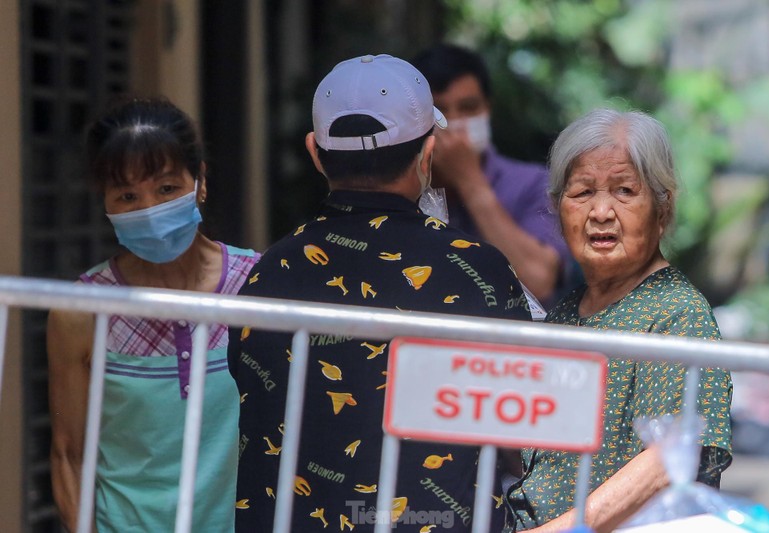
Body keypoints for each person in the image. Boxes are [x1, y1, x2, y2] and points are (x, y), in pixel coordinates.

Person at [228, 54, 534, 532]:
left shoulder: (270, 273)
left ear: (314, 152)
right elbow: (523, 428)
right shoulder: (478, 269)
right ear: (428, 154)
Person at [504, 108, 733, 532]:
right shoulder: (565, 313)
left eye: (624, 191)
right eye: (583, 192)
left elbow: (670, 460)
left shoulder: (677, 313)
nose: (601, 212)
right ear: (557, 209)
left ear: (662, 209)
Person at [47, 96, 260, 532]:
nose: (149, 211)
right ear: (105, 204)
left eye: (165, 189)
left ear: (200, 181)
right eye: (127, 196)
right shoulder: (82, 311)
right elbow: (69, 453)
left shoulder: (257, 286)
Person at [412, 43, 572, 306]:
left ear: (487, 109)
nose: (452, 124)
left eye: (468, 108)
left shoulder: (534, 183)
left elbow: (539, 280)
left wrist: (470, 181)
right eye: (438, 112)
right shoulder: (400, 185)